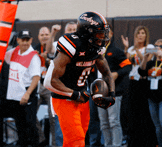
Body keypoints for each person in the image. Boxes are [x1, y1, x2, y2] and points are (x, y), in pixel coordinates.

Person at [44, 11, 116, 147]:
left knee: (77, 140)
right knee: (76, 142)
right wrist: (74, 94)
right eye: (99, 33)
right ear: (87, 32)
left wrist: (112, 94)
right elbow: (49, 81)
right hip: (65, 98)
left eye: (103, 33)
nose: (103, 38)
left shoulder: (96, 48)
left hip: (82, 97)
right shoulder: (72, 45)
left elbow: (106, 72)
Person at [4, 29, 41, 147]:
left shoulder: (33, 56)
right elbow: (4, 57)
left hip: (27, 91)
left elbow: (36, 77)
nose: (25, 42)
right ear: (18, 40)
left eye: (27, 40)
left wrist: (27, 94)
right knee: (20, 125)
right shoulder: (14, 51)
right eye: (23, 40)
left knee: (30, 123)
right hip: (15, 93)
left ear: (31, 40)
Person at [121, 26, 157, 147]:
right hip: (132, 82)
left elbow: (146, 64)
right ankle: (134, 140)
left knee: (144, 112)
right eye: (138, 33)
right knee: (132, 112)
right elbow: (126, 64)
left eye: (143, 33)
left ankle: (147, 140)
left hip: (144, 82)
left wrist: (137, 51)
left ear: (146, 35)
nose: (140, 35)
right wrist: (127, 48)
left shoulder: (150, 48)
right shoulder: (131, 48)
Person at [97, 24, 132, 147]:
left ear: (111, 34)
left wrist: (117, 73)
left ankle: (117, 144)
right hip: (99, 91)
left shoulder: (116, 51)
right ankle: (108, 144)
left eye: (107, 32)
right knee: (103, 123)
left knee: (113, 121)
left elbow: (128, 66)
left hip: (113, 92)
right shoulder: (94, 52)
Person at [45, 21, 77, 147]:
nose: (72, 31)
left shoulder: (83, 46)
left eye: (75, 29)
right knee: (60, 126)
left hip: (76, 90)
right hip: (60, 90)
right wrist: (53, 33)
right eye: (70, 29)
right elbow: (48, 50)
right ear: (65, 32)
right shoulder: (60, 44)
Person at [138, 39, 162, 147]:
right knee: (157, 126)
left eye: (160, 46)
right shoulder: (151, 63)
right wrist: (145, 58)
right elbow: (141, 71)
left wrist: (161, 57)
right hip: (151, 98)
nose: (158, 48)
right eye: (156, 46)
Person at [33, 26, 55, 146]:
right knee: (30, 114)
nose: (45, 37)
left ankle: (55, 144)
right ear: (38, 37)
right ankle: (41, 140)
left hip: (51, 86)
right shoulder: (34, 49)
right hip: (38, 85)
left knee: (53, 118)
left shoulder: (54, 48)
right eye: (42, 35)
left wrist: (47, 60)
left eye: (47, 34)